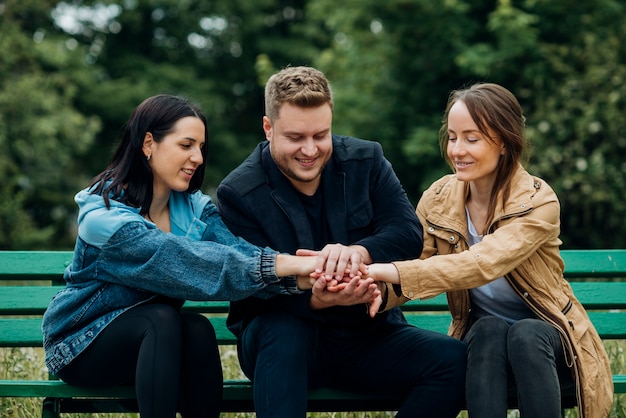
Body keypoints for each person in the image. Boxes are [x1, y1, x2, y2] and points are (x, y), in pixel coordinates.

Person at [41, 94, 344, 418]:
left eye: (201, 147)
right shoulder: (106, 218)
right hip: (80, 344)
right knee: (161, 319)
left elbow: (239, 256)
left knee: (196, 328)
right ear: (148, 144)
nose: (198, 157)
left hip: (152, 347)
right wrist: (297, 264)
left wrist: (321, 274)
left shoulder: (193, 210)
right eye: (186, 145)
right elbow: (185, 259)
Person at [216, 66, 467, 418]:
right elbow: (250, 285)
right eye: (295, 137)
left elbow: (408, 233)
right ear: (268, 128)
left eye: (321, 135)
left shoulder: (368, 160)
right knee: (283, 331)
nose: (310, 149)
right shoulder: (238, 192)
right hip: (284, 343)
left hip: (366, 334)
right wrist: (318, 300)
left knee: (452, 360)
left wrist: (357, 252)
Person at [364, 83, 613, 418]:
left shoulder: (538, 200)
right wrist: (374, 289)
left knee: (526, 333)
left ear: (504, 143)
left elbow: (484, 262)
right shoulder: (437, 199)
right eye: (452, 137)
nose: (457, 149)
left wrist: (392, 271)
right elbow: (417, 265)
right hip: (486, 344)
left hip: (550, 341)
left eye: (472, 138)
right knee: (488, 327)